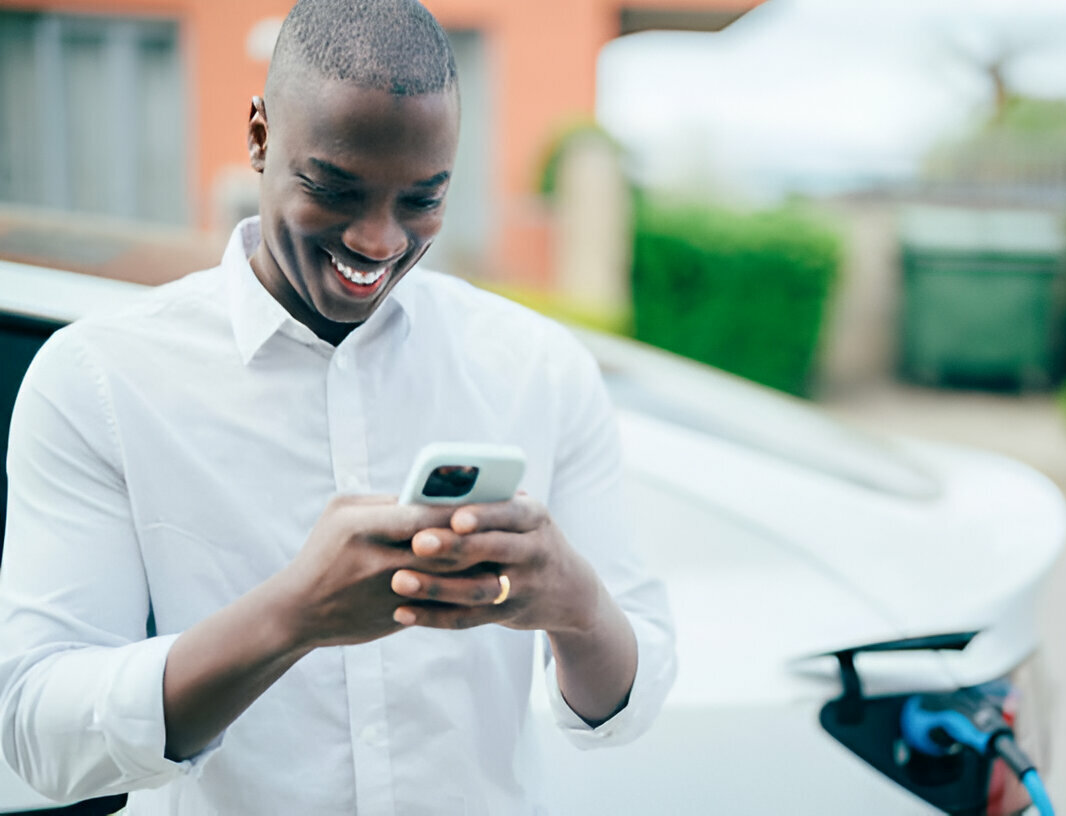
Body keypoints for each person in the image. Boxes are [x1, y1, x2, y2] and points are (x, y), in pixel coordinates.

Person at [0, 1, 676, 813]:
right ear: (257, 136)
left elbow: (625, 709)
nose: (380, 241)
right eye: (336, 189)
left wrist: (572, 600)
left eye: (422, 199)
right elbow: (38, 733)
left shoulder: (539, 368)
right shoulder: (100, 381)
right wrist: (294, 615)